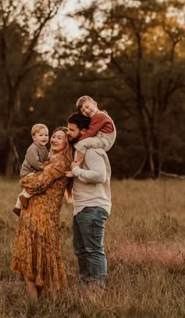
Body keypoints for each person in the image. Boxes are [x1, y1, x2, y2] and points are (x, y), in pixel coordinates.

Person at [10, 127, 73, 301]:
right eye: (53, 136)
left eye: (59, 138)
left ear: (67, 143)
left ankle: (43, 303)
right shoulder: (48, 158)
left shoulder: (61, 162)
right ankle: (35, 304)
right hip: (32, 213)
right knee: (30, 259)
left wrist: (24, 180)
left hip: (44, 217)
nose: (53, 139)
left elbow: (38, 183)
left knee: (41, 260)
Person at [66, 112, 112, 287]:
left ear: (84, 130)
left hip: (93, 207)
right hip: (82, 207)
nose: (68, 132)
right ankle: (85, 286)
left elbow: (100, 175)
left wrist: (76, 172)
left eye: (72, 129)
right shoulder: (81, 150)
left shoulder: (92, 150)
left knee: (94, 250)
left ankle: (97, 290)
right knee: (81, 250)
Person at [13, 123, 49, 216]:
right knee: (38, 184)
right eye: (41, 135)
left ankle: (17, 208)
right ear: (34, 137)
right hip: (28, 172)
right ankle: (24, 197)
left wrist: (49, 163)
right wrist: (44, 168)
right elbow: (35, 162)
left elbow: (46, 159)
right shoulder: (33, 148)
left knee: (27, 189)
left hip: (34, 171)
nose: (44, 137)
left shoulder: (44, 148)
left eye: (46, 135)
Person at [74, 95, 116, 165]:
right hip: (102, 139)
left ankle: (77, 165)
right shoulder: (101, 114)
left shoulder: (98, 116)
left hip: (104, 141)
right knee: (86, 144)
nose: (86, 111)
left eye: (87, 107)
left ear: (95, 104)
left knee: (80, 144)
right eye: (83, 111)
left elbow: (90, 132)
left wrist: (77, 140)